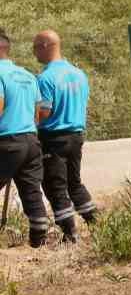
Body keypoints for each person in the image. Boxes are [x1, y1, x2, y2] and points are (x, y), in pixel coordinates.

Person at [32, 30, 96, 242]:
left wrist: (29, 123)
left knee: (54, 185)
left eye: (35, 48)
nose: (34, 53)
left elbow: (44, 112)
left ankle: (70, 234)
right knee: (74, 182)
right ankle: (96, 222)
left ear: (44, 46)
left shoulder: (45, 78)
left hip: (54, 138)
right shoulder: (79, 74)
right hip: (76, 135)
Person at [0, 29, 51, 247]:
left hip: (7, 141)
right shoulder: (28, 75)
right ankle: (38, 242)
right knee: (31, 190)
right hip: (31, 140)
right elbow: (38, 113)